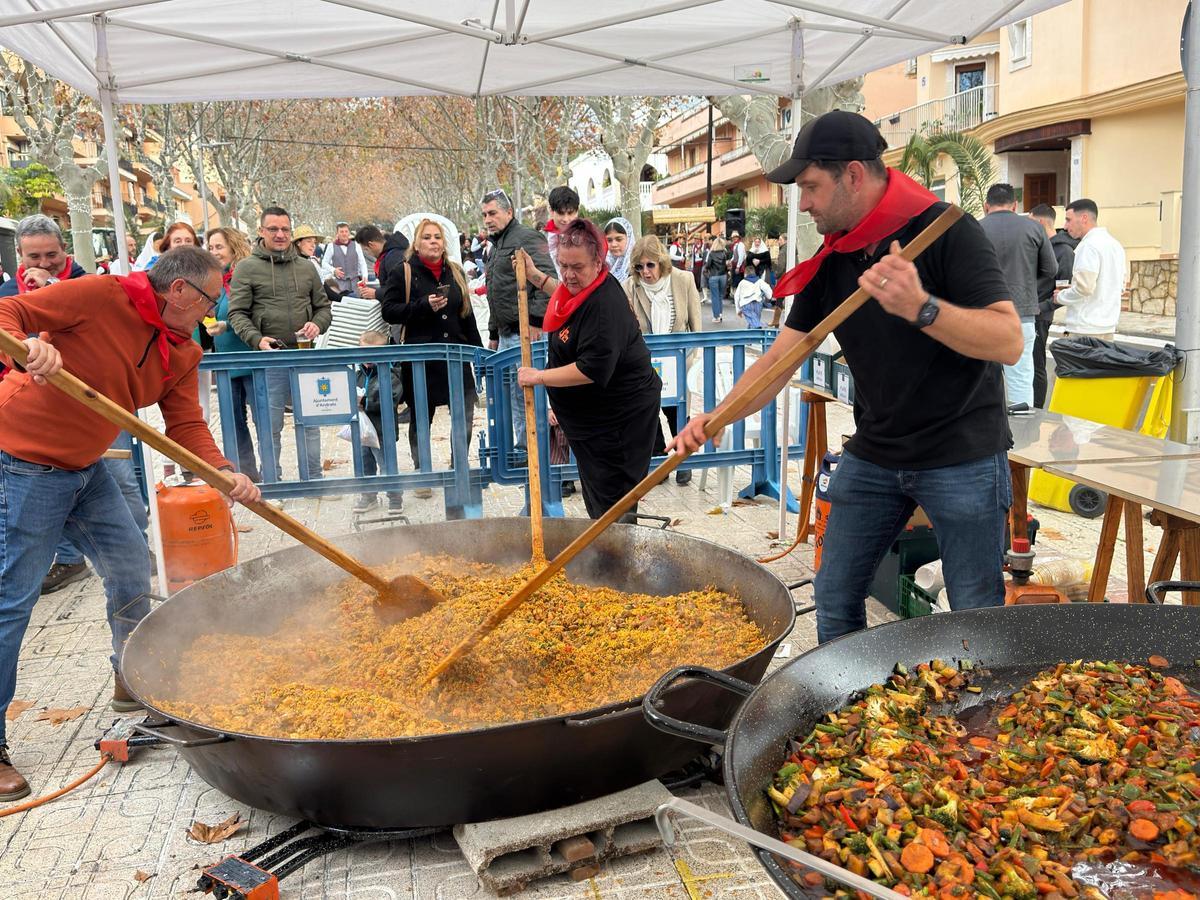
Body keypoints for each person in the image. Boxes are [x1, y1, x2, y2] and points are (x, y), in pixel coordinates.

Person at [670, 110, 1022, 645]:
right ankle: (850, 717)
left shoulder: (946, 230)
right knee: (833, 598)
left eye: (811, 186)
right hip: (877, 451)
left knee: (975, 611)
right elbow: (782, 359)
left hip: (963, 453)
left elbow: (1009, 341)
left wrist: (922, 307)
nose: (804, 202)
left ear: (853, 175)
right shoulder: (835, 257)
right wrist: (715, 418)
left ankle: (979, 722)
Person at [0, 246, 261, 799]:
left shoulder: (183, 351)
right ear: (181, 292)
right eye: (211, 301)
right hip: (19, 462)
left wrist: (220, 471)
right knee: (12, 600)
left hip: (85, 467)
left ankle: (133, 678)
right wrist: (26, 352)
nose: (211, 314)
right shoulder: (101, 294)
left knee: (127, 567)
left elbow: (185, 422)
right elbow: (11, 314)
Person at [517, 219, 661, 522]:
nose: (568, 274)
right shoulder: (586, 287)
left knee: (612, 504)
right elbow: (569, 294)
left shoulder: (605, 305)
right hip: (591, 423)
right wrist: (536, 277)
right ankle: (609, 555)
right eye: (563, 265)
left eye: (577, 267)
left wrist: (538, 377)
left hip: (617, 423)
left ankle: (616, 561)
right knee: (599, 501)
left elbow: (590, 369)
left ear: (598, 262)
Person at [380, 218, 483, 517]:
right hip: (422, 359)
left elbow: (467, 316)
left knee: (463, 415)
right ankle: (422, 469)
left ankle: (457, 467)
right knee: (421, 417)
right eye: (427, 237)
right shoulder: (404, 271)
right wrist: (423, 305)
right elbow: (389, 311)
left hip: (456, 356)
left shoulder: (456, 271)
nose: (433, 242)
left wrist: (477, 353)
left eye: (437, 237)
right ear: (417, 242)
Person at [227, 206, 331, 482]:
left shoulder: (307, 267)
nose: (280, 234)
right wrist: (256, 339)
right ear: (261, 231)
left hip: (304, 355)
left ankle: (313, 478)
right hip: (269, 359)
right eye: (273, 229)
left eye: (285, 229)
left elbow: (324, 308)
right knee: (269, 426)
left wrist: (317, 324)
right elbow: (236, 313)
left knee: (310, 421)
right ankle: (273, 480)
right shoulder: (247, 268)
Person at [624, 234, 702, 485]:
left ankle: (684, 460)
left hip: (679, 361)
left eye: (650, 265)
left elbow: (695, 325)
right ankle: (658, 459)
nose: (645, 272)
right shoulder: (629, 287)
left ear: (661, 262)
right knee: (648, 411)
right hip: (645, 363)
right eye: (639, 266)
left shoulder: (683, 279)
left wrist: (691, 359)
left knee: (677, 411)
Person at [481, 189, 553, 454]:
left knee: (530, 396)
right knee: (516, 395)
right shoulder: (497, 244)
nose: (487, 219)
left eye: (493, 213)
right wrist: (493, 332)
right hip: (507, 333)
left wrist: (536, 321)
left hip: (527, 332)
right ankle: (526, 450)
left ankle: (537, 452)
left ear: (508, 212)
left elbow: (546, 279)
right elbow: (496, 290)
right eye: (484, 214)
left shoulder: (527, 238)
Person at [978, 183, 1057, 408]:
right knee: (1021, 377)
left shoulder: (975, 228)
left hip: (984, 315)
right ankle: (1022, 435)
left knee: (983, 378)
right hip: (1022, 314)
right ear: (1014, 205)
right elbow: (1051, 270)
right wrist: (1028, 284)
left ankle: (987, 431)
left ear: (986, 206)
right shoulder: (1034, 228)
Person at [204, 227, 260, 482]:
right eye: (211, 247)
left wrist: (226, 325)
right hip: (225, 361)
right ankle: (246, 475)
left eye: (219, 247)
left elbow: (256, 315)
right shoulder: (214, 279)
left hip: (251, 358)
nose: (214, 252)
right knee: (233, 424)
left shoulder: (245, 275)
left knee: (263, 422)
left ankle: (271, 473)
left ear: (233, 247)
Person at [1028, 205, 1077, 408]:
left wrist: (1041, 307)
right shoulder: (1035, 246)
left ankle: (1037, 410)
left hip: (1040, 315)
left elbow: (1063, 291)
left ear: (1040, 223)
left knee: (1037, 365)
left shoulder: (1064, 251)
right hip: (1025, 312)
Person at [1055, 199, 1125, 341]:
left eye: (1069, 220)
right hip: (1107, 326)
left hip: (1084, 328)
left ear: (1084, 218)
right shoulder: (1115, 245)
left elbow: (1084, 288)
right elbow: (1120, 285)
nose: (1065, 226)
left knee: (1073, 363)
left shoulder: (1088, 246)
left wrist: (1061, 296)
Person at [353, 331, 404, 514]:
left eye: (373, 354)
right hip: (362, 430)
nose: (367, 359)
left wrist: (365, 401)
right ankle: (368, 496)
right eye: (363, 353)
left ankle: (395, 497)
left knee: (387, 465)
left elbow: (391, 398)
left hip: (383, 431)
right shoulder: (358, 374)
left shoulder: (390, 374)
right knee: (364, 463)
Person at [321, 222, 369, 298]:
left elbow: (362, 263)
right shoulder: (331, 247)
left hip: (355, 282)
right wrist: (333, 270)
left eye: (346, 231)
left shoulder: (356, 245)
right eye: (341, 231)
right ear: (337, 233)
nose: (344, 234)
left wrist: (365, 276)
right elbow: (324, 263)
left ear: (349, 233)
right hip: (340, 284)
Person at [546, 186, 580, 273]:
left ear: (577, 212)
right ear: (551, 211)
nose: (565, 219)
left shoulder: (587, 235)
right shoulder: (542, 238)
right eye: (561, 213)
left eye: (570, 213)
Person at [733, 260, 773, 328]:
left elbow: (736, 296)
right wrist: (769, 297)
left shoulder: (742, 282)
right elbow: (768, 289)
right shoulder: (760, 281)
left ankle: (760, 325)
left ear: (745, 274)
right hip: (757, 303)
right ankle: (753, 333)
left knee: (753, 321)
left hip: (746, 304)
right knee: (754, 320)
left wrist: (738, 309)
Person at [702, 237, 730, 322]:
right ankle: (720, 314)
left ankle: (716, 316)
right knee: (720, 296)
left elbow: (708, 265)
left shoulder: (711, 254)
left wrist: (706, 272)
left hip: (713, 276)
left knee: (714, 297)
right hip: (723, 276)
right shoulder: (725, 253)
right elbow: (726, 265)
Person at [603, 217, 633, 283]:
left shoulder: (638, 267)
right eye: (609, 240)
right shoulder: (602, 267)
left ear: (629, 239)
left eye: (619, 239)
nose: (614, 244)